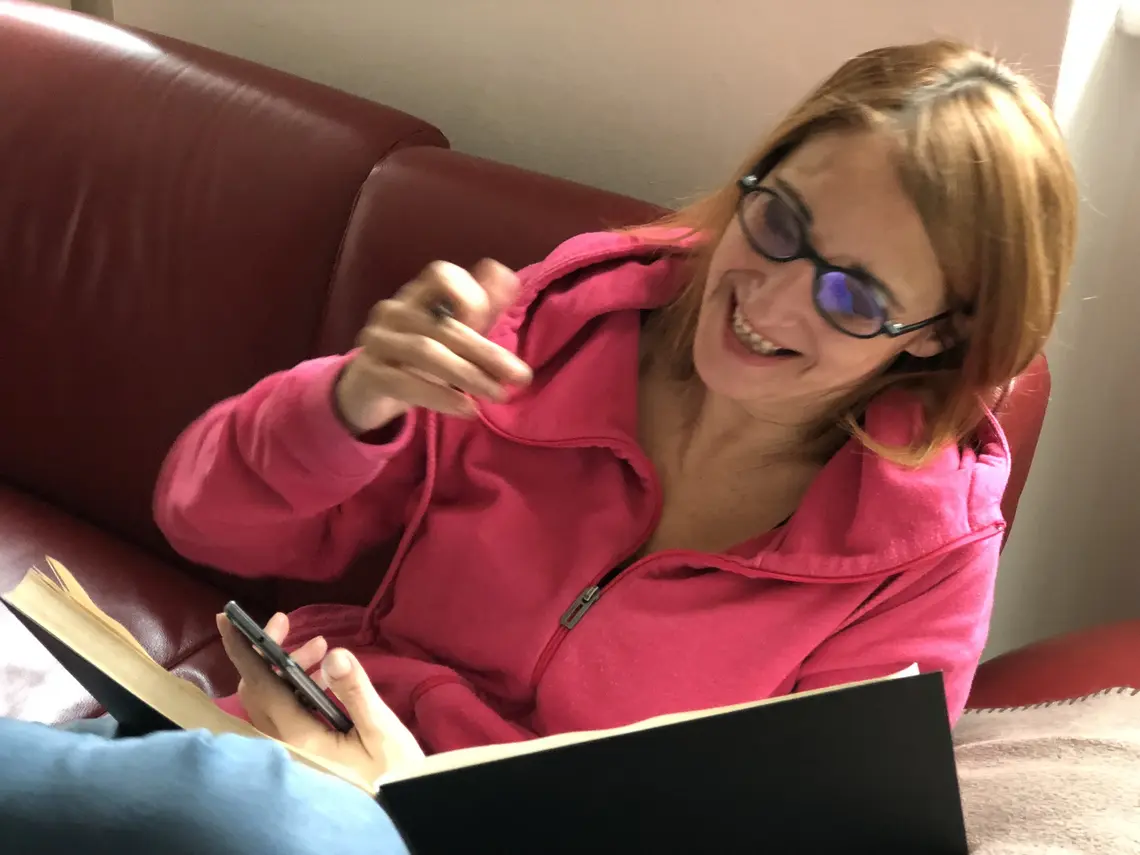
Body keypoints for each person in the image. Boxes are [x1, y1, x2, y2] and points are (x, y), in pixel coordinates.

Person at [1, 39, 1077, 852]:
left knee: (265, 817)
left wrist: (404, 791)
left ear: (935, 336)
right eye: (781, 223)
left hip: (369, 825)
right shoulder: (556, 329)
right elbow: (201, 515)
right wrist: (352, 400)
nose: (775, 299)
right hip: (260, 760)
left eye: (855, 296)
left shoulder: (919, 559)